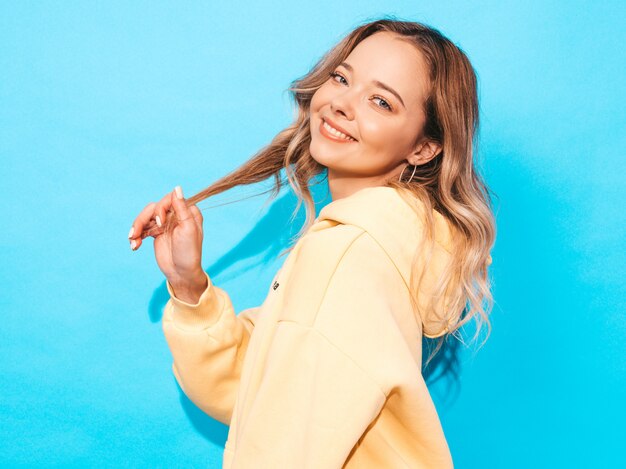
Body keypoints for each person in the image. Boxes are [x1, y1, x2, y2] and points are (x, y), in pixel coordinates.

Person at [129, 18, 495, 468]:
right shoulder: (379, 243)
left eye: (381, 101)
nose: (342, 103)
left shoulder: (350, 254)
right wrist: (189, 286)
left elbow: (287, 451)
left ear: (423, 148)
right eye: (342, 77)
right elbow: (258, 386)